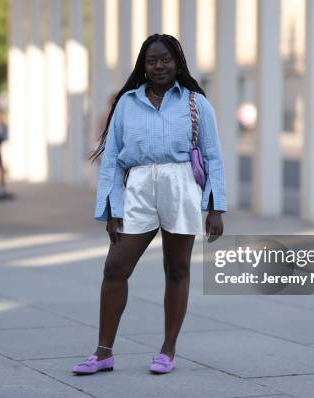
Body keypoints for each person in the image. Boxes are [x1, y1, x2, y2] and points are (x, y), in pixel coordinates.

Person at [72, 34, 226, 375]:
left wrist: (215, 208)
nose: (159, 66)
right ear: (143, 65)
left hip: (181, 186)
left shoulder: (195, 102)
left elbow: (213, 156)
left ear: (178, 62)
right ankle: (102, 353)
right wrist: (111, 208)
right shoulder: (127, 102)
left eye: (166, 59)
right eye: (152, 60)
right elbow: (111, 158)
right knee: (115, 268)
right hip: (138, 189)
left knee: (177, 269)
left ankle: (168, 350)